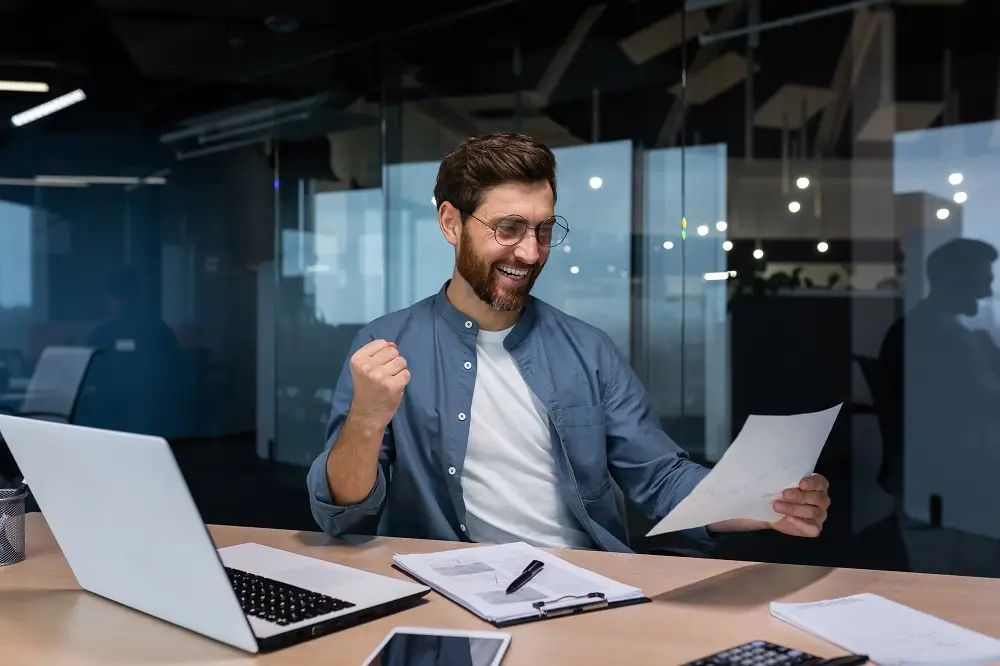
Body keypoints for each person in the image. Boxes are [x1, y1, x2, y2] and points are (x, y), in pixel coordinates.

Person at [307, 132, 830, 553]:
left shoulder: (588, 349)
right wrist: (367, 420)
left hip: (582, 590)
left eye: (542, 230)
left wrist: (766, 503)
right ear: (451, 223)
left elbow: (660, 478)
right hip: (446, 591)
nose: (531, 253)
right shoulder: (386, 344)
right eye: (509, 228)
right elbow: (342, 510)